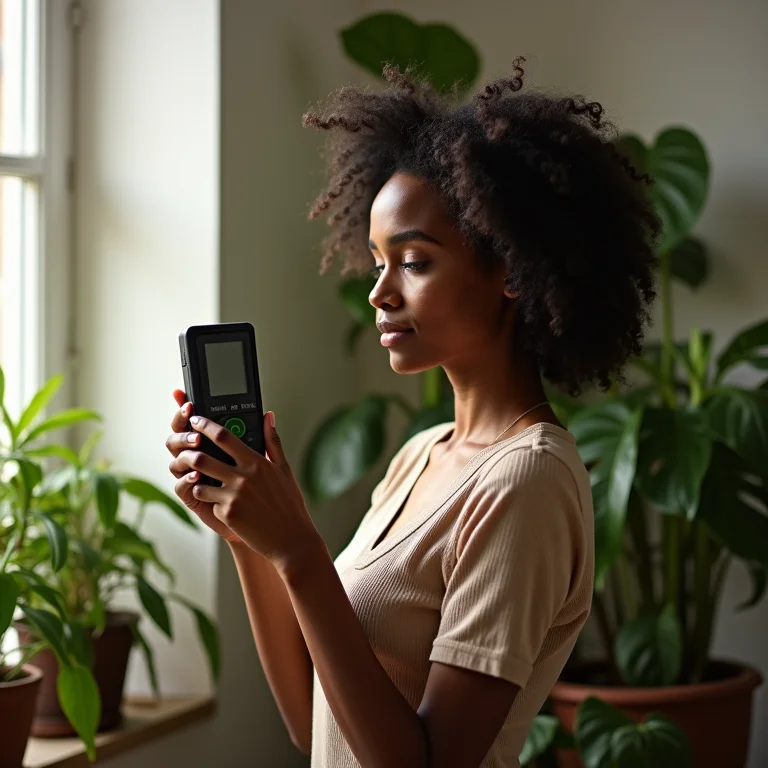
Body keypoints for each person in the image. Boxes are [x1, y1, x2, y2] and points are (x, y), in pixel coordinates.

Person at [165, 57, 660, 768]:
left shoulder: (526, 482)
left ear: (512, 272)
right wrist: (250, 539)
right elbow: (316, 724)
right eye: (376, 262)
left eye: (415, 262)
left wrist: (302, 551)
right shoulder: (420, 454)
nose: (380, 294)